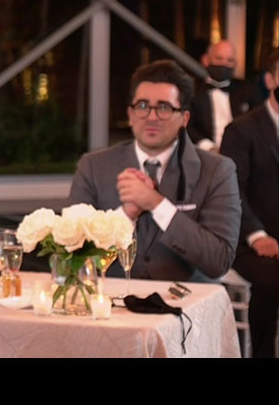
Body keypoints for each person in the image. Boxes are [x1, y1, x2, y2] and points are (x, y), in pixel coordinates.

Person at [69, 59, 241, 282]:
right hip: (110, 306)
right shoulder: (93, 166)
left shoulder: (217, 171)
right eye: (142, 106)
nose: (151, 116)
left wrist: (157, 204)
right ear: (130, 115)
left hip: (185, 307)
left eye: (164, 107)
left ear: (184, 119)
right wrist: (125, 215)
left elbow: (219, 261)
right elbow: (73, 255)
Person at [221, 49, 279, 357]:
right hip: (249, 238)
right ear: (271, 80)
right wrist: (258, 235)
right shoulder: (241, 130)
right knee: (271, 280)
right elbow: (232, 191)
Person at [187, 40, 257, 152]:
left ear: (235, 64)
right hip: (203, 154)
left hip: (241, 153)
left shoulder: (248, 89)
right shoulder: (192, 90)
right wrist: (209, 148)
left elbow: (257, 123)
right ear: (206, 60)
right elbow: (187, 125)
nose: (224, 64)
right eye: (219, 58)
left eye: (230, 60)